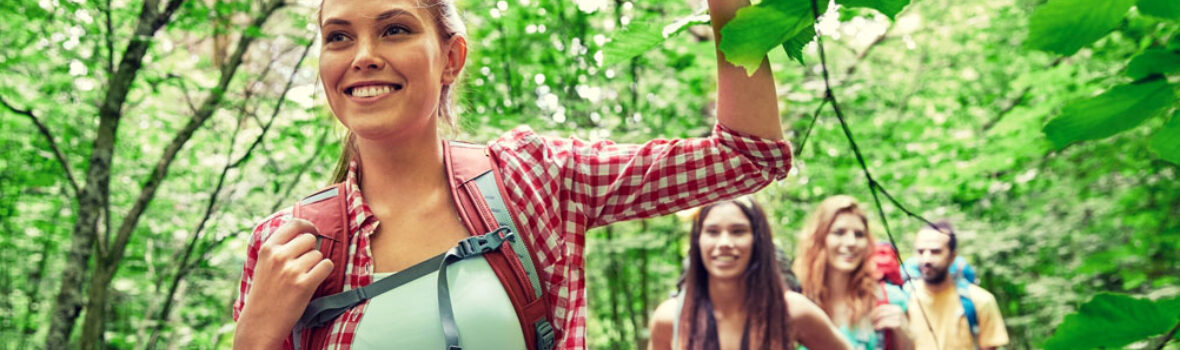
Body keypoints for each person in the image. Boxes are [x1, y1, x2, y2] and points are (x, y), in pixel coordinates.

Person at [230, 0, 793, 348]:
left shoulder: (532, 180)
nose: (364, 55)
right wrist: (253, 339)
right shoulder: (289, 245)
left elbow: (748, 156)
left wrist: (729, 8)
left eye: (396, 29)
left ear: (451, 58)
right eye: (339, 36)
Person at [648, 198, 850, 350]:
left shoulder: (792, 311)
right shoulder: (670, 318)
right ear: (697, 240)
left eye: (738, 231)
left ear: (757, 241)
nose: (724, 243)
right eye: (712, 232)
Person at [794, 195, 913, 350]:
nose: (851, 242)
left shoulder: (889, 299)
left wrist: (903, 334)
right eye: (839, 232)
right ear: (819, 238)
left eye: (859, 234)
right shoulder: (795, 299)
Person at [906, 221, 1008, 350]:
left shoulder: (980, 301)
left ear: (952, 256)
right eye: (920, 252)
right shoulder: (903, 301)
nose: (926, 259)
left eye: (935, 252)